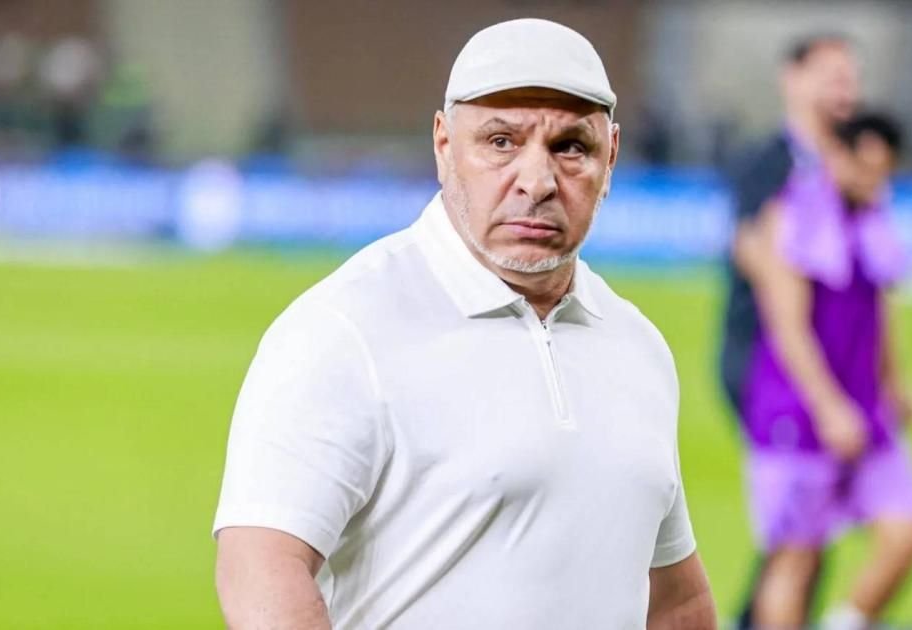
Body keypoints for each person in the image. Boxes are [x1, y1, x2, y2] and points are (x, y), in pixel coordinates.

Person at [213, 18, 717, 630]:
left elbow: (676, 601)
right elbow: (260, 568)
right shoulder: (344, 329)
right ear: (444, 144)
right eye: (501, 142)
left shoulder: (635, 345)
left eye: (570, 148)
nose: (537, 182)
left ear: (610, 157)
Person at [724, 50, 912, 628]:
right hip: (799, 407)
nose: (871, 181)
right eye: (863, 168)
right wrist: (828, 405)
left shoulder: (872, 217)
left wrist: (894, 382)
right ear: (837, 155)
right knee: (796, 558)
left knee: (905, 533)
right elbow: (786, 325)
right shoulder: (792, 216)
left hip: (865, 404)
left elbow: (880, 308)